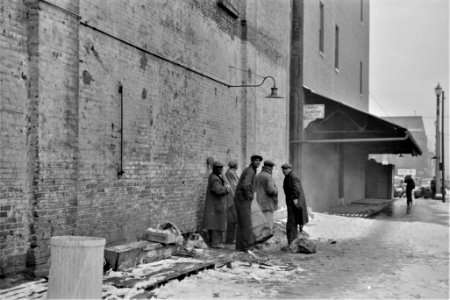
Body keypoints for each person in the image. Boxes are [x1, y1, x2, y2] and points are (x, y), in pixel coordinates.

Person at [234, 154, 263, 251]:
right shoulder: (250, 171)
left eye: (259, 161)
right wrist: (249, 196)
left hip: (240, 198)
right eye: (255, 160)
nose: (258, 162)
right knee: (247, 224)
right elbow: (245, 185)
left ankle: (240, 246)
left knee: (242, 223)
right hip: (242, 199)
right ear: (252, 161)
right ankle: (248, 246)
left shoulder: (250, 170)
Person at [203, 161, 230, 248]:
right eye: (219, 168)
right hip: (215, 205)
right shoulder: (215, 178)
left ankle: (215, 242)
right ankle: (215, 243)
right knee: (216, 224)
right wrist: (226, 189)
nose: (221, 169)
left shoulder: (214, 176)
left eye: (221, 168)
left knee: (216, 223)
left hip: (215, 204)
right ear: (215, 169)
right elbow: (218, 191)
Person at [281, 163, 309, 246]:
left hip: (293, 204)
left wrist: (295, 201)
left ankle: (292, 242)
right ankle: (292, 242)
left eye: (286, 169)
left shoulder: (293, 177)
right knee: (291, 223)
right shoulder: (288, 177)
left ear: (290, 169)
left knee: (292, 223)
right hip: (291, 204)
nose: (284, 171)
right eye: (283, 169)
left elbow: (296, 190)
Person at [255, 160, 278, 232]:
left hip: (259, 203)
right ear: (270, 168)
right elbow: (271, 190)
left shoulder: (258, 175)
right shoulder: (268, 176)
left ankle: (260, 239)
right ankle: (267, 240)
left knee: (261, 224)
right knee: (268, 224)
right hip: (268, 204)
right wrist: (276, 190)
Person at [224, 160, 239, 244]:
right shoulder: (230, 173)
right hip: (231, 199)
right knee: (233, 219)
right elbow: (234, 186)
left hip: (233, 198)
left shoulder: (232, 172)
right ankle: (230, 239)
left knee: (233, 219)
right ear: (235, 165)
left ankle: (231, 238)